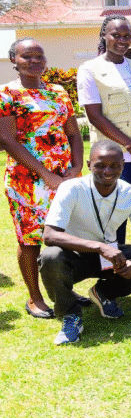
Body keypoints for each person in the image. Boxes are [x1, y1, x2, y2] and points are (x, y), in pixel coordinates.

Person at [39, 141, 131, 345]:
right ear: (89, 165)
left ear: (123, 165)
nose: (107, 171)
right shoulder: (71, 188)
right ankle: (70, 314)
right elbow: (50, 235)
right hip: (75, 255)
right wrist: (99, 247)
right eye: (100, 165)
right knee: (50, 256)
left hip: (110, 256)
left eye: (114, 165)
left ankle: (104, 293)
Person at [0, 39, 84, 319]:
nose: (35, 61)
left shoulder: (58, 92)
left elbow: (73, 133)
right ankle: (35, 297)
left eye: (40, 55)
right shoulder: (7, 94)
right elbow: (7, 140)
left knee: (65, 235)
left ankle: (64, 291)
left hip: (64, 177)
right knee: (30, 239)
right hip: (27, 181)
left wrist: (76, 167)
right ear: (14, 60)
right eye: (27, 56)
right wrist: (46, 175)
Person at [78, 15, 131, 242]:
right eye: (116, 35)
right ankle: (114, 261)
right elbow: (95, 116)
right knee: (113, 217)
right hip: (113, 157)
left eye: (127, 36)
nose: (122, 40)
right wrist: (130, 145)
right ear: (104, 36)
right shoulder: (89, 69)